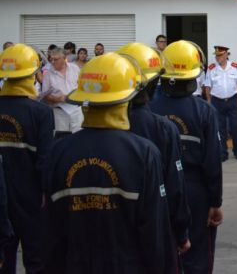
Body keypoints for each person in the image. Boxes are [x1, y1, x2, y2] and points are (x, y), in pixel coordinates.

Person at [45, 53, 174, 273]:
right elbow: (154, 231)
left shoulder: (58, 152)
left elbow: (51, 231)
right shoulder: (143, 153)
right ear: (129, 96)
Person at [151, 41, 223, 274]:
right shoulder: (204, 111)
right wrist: (215, 202)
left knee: (163, 251)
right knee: (198, 254)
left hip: (157, 188)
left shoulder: (149, 109)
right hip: (195, 190)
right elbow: (213, 162)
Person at [118, 42, 191, 259]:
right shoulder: (164, 128)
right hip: (156, 226)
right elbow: (174, 186)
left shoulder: (76, 142)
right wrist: (181, 232)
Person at [0, 44, 54, 273]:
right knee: (35, 258)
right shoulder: (40, 112)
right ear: (33, 75)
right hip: (31, 194)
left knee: (4, 257)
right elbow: (45, 158)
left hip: (2, 195)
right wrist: (45, 191)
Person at [203, 46, 237, 161]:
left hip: (232, 100)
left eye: (220, 55)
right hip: (217, 101)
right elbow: (207, 86)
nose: (218, 57)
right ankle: (223, 152)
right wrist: (209, 102)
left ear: (226, 54)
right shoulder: (211, 68)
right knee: (220, 128)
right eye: (216, 55)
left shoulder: (235, 67)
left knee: (235, 126)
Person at [42, 46, 84, 136]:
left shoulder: (75, 68)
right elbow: (44, 96)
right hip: (59, 112)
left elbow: (82, 86)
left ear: (64, 58)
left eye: (55, 59)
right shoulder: (48, 74)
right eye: (51, 59)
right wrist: (57, 99)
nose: (52, 62)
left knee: (78, 138)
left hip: (76, 110)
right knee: (61, 139)